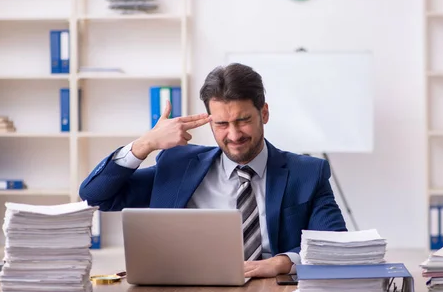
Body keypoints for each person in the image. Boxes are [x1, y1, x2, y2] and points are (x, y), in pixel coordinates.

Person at [79, 63, 347, 278]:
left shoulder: (308, 173)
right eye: (221, 123)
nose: (233, 134)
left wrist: (283, 262)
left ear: (263, 114)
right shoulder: (177, 166)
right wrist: (145, 144)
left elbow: (335, 244)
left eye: (243, 120)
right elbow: (96, 196)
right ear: (209, 121)